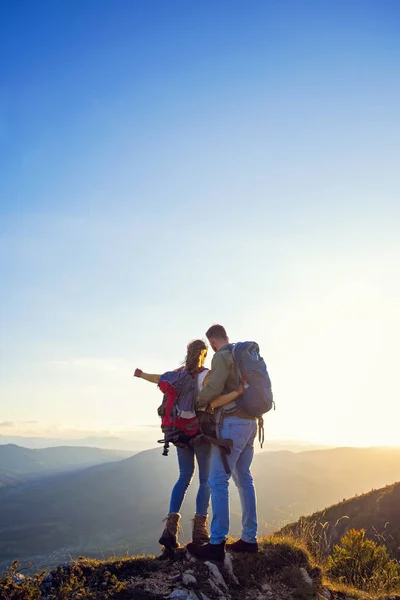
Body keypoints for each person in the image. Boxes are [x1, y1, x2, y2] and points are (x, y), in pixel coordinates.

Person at [134, 338, 242, 550]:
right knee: (205, 479)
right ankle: (199, 530)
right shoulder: (206, 375)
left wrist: (141, 375)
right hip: (200, 435)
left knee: (184, 477)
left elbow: (158, 378)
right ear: (203, 354)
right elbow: (213, 400)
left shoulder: (177, 374)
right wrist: (237, 393)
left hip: (178, 434)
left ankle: (170, 529)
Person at [187, 325, 259, 561]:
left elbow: (213, 387)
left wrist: (196, 402)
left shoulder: (222, 356)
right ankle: (250, 539)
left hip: (232, 424)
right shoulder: (243, 356)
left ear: (212, 341)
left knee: (218, 480)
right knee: (244, 477)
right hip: (251, 424)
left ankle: (216, 542)